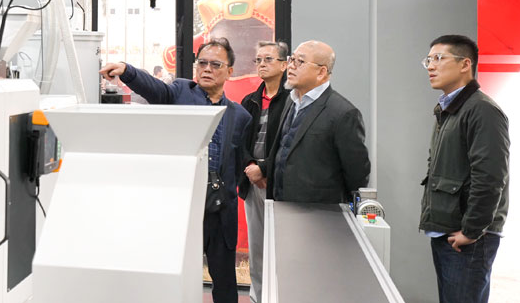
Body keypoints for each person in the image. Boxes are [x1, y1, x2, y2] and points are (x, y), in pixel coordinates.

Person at [99, 38, 251, 303]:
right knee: (174, 279)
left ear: (229, 71)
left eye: (215, 64)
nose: (207, 69)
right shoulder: (180, 92)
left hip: (219, 212)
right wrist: (127, 70)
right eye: (202, 63)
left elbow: (238, 165)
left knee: (225, 284)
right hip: (180, 208)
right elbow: (154, 88)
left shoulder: (239, 116)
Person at [419, 34, 509, 303]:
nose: (431, 66)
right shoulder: (448, 109)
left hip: (469, 237)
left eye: (438, 58)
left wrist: (472, 230)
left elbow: (490, 177)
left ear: (465, 64)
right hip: (447, 231)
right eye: (428, 60)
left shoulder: (482, 110)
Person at [268, 40, 370, 203]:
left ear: (321, 72)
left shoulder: (343, 113)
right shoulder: (291, 101)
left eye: (300, 61)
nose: (291, 66)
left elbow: (357, 174)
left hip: (320, 209)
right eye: (291, 59)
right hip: (282, 203)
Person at [237, 41, 289, 303]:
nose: (261, 64)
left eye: (268, 59)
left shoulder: (292, 101)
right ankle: (258, 297)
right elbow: (240, 140)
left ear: (284, 65)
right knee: (257, 247)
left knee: (283, 248)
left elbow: (289, 144)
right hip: (252, 182)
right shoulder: (250, 101)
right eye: (258, 60)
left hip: (279, 183)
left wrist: (265, 169)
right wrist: (250, 167)